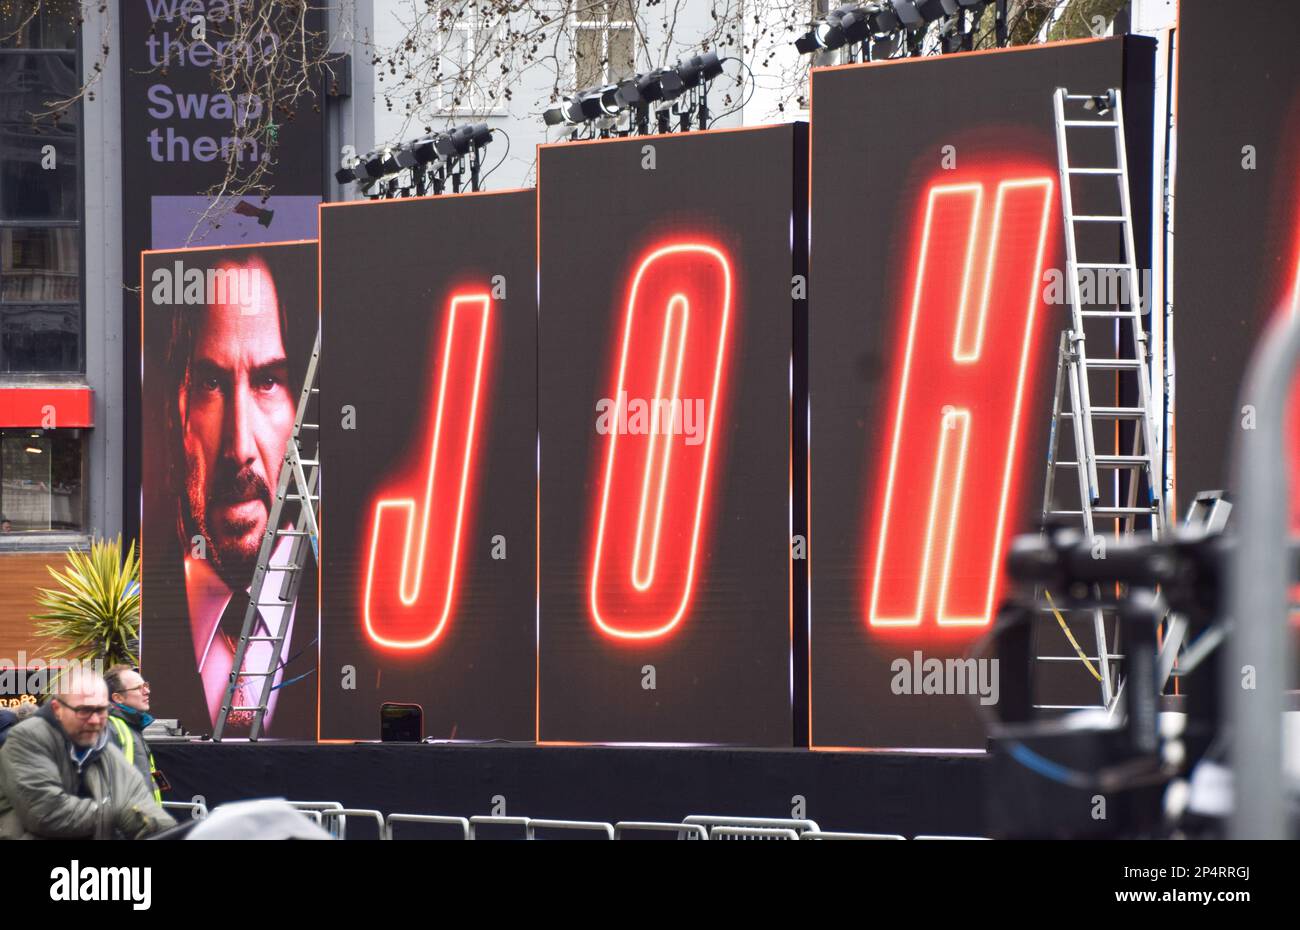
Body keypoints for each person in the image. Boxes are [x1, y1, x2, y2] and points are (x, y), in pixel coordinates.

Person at [157, 253, 315, 736]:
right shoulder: (148, 618)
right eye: (211, 384)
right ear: (176, 409)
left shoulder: (361, 617)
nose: (238, 447)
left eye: (268, 381)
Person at [0, 670, 175, 839]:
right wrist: (117, 813)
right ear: (57, 709)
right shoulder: (26, 740)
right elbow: (46, 813)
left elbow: (138, 802)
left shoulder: (99, 746)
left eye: (101, 710)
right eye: (83, 710)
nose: (94, 720)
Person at [105, 665, 163, 803]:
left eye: (145, 685)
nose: (147, 691)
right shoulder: (107, 727)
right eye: (138, 688)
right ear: (118, 698)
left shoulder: (132, 725)